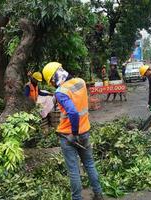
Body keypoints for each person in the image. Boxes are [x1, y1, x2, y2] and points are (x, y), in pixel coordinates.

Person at [42, 62, 104, 200]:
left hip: (68, 136)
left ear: (54, 78)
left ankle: (77, 198)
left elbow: (73, 112)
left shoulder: (60, 92)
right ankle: (98, 194)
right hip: (85, 131)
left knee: (73, 170)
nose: (52, 84)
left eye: (51, 81)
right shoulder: (81, 82)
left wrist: (73, 134)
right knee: (89, 164)